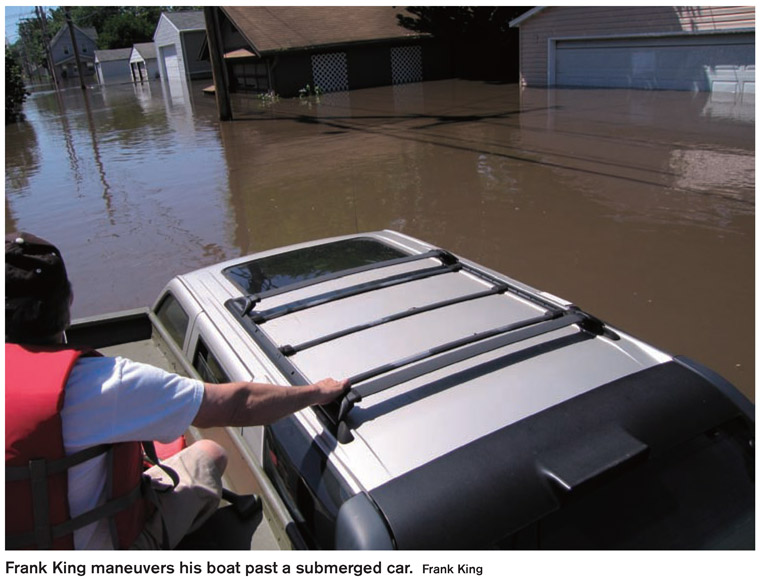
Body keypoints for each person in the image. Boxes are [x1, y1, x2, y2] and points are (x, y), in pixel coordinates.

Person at [5, 232, 349, 550]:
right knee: (210, 454)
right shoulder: (104, 383)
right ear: (67, 302)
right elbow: (237, 405)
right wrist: (316, 392)